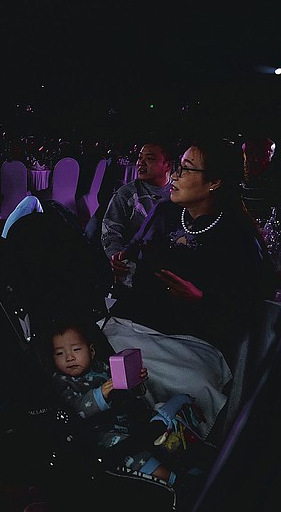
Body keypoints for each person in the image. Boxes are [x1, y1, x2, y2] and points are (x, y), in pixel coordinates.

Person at [103, 137, 277, 439]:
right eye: (178, 168)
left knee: (189, 382)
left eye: (186, 169)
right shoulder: (164, 212)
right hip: (136, 321)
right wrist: (120, 260)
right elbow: (132, 250)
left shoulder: (236, 237)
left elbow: (248, 308)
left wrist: (201, 298)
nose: (175, 176)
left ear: (214, 182)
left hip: (192, 343)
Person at [49, 320, 201, 486]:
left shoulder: (103, 367)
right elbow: (74, 409)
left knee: (159, 427)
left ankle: (182, 465)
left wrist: (135, 381)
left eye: (76, 349)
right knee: (129, 451)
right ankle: (174, 480)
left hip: (127, 421)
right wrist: (101, 393)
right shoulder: (61, 382)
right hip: (101, 434)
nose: (69, 357)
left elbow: (131, 395)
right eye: (59, 353)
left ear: (91, 351)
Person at [104, 141, 174, 292]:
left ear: (168, 165)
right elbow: (110, 232)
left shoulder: (177, 193)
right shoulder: (126, 194)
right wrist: (117, 257)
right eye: (140, 157)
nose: (141, 163)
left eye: (149, 158)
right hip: (136, 273)